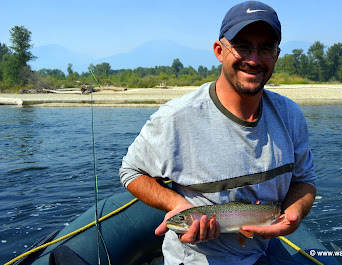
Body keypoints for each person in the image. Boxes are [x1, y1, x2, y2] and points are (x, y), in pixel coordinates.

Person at [120, 1, 317, 264]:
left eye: (265, 48)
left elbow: (305, 180)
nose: (253, 59)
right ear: (219, 51)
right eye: (242, 46)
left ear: (276, 55)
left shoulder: (290, 115)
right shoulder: (176, 118)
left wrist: (292, 216)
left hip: (263, 251)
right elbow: (130, 172)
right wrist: (178, 206)